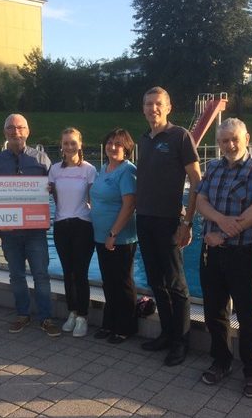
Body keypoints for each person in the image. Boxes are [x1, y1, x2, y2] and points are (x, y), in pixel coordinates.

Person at [196, 118, 252, 398]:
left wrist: (224, 234)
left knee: (247, 313)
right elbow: (201, 202)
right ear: (218, 143)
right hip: (212, 253)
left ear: (246, 137)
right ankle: (221, 360)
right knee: (214, 310)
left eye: (234, 139)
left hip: (242, 252)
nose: (229, 144)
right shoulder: (213, 167)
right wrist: (219, 222)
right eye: (224, 140)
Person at [135, 86, 201, 366]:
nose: (153, 109)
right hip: (145, 219)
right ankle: (166, 333)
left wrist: (187, 222)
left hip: (169, 220)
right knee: (156, 282)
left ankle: (181, 342)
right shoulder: (144, 139)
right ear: (144, 108)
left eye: (158, 104)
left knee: (176, 284)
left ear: (168, 107)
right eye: (148, 104)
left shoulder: (180, 136)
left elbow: (197, 181)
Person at [0, 114, 60, 337]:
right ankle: (22, 314)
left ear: (27, 131)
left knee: (41, 274)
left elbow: (56, 189)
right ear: (5, 132)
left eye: (20, 127)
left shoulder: (42, 159)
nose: (15, 131)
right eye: (10, 127)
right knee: (16, 275)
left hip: (36, 231)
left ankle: (46, 318)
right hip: (9, 232)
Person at [89, 128, 138, 344]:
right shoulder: (104, 169)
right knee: (108, 282)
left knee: (122, 282)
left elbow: (129, 206)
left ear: (126, 148)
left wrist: (113, 233)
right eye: (110, 142)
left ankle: (126, 327)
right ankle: (109, 323)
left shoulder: (127, 171)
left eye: (119, 143)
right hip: (100, 236)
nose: (113, 147)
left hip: (120, 237)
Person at [49, 128, 97, 338]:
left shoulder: (89, 170)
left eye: (73, 143)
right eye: (66, 143)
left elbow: (95, 199)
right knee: (67, 272)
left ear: (80, 144)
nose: (69, 147)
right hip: (61, 225)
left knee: (81, 272)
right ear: (61, 146)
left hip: (82, 225)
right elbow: (52, 197)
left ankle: (83, 317)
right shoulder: (55, 170)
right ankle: (72, 312)